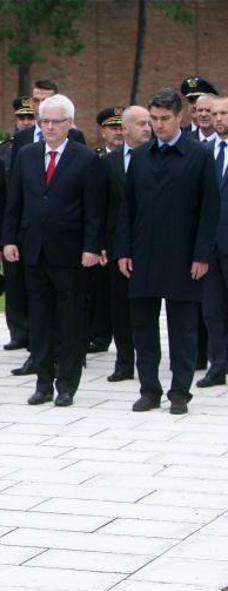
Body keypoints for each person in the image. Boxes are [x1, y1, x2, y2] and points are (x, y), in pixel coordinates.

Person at [117, 88, 219, 415]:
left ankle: (180, 392)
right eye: (152, 119)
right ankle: (149, 389)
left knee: (183, 328)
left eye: (164, 119)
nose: (157, 126)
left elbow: (209, 210)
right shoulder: (141, 156)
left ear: (179, 118)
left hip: (183, 256)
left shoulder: (199, 155)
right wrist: (124, 250)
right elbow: (127, 209)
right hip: (143, 255)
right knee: (143, 328)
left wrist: (202, 255)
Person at [3, 94, 107, 408]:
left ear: (69, 124)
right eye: (44, 121)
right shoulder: (27, 155)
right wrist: (9, 240)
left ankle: (67, 384)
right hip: (34, 251)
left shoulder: (85, 158)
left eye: (56, 122)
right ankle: (43, 382)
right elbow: (15, 202)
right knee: (40, 320)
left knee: (70, 321)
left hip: (71, 254)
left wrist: (92, 246)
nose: (49, 127)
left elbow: (94, 210)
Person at [102, 105, 151, 383]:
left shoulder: (156, 157)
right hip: (116, 244)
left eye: (149, 123)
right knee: (119, 306)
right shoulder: (107, 163)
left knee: (145, 307)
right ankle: (124, 362)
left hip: (148, 244)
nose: (147, 128)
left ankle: (147, 358)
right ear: (125, 128)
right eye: (141, 123)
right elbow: (100, 207)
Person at [0, 97, 36, 356]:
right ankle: (18, 332)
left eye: (29, 118)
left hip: (35, 226)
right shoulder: (4, 150)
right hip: (12, 226)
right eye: (21, 118)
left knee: (35, 284)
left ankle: (37, 333)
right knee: (14, 283)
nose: (25, 122)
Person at [86, 107, 125, 355]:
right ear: (103, 131)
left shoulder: (139, 157)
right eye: (113, 127)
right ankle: (99, 336)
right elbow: (95, 205)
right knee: (100, 290)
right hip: (106, 235)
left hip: (127, 235)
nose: (119, 132)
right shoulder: (96, 160)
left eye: (122, 126)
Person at [198, 95, 228, 389]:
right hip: (209, 246)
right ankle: (218, 365)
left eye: (224, 113)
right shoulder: (203, 151)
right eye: (214, 114)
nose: (218, 119)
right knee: (213, 309)